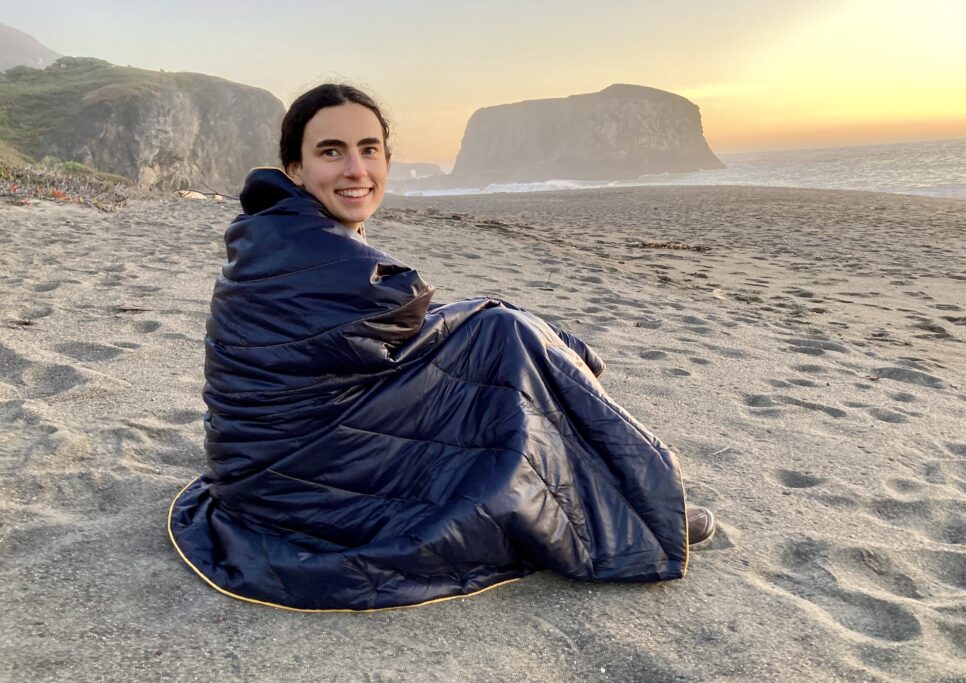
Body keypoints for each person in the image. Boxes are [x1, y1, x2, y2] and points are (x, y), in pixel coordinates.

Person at [167, 83, 716, 612]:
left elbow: (379, 345)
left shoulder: (274, 234)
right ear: (295, 168)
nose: (356, 169)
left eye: (369, 150)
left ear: (387, 160)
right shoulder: (318, 254)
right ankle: (630, 514)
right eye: (331, 152)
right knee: (501, 337)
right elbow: (410, 326)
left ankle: (621, 497)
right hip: (293, 485)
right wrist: (523, 332)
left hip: (251, 470)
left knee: (494, 339)